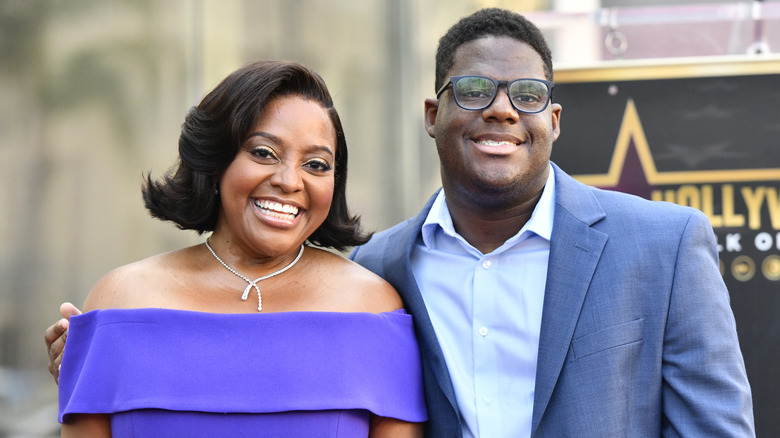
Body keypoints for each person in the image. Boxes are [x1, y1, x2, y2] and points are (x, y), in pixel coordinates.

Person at [47, 8, 755, 437]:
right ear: (432, 115)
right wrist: (111, 355)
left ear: (554, 120)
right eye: (473, 89)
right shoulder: (383, 273)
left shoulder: (664, 246)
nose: (503, 110)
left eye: (528, 94)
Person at [51, 60, 426, 437]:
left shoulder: (373, 307)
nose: (288, 181)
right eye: (264, 153)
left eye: (316, 164)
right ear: (216, 162)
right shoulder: (122, 300)